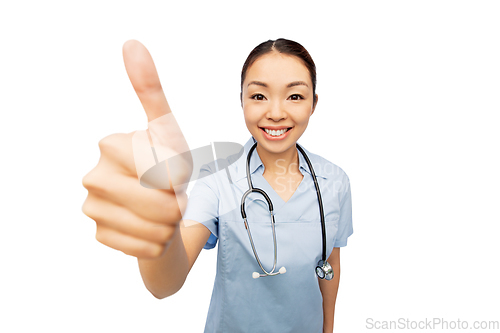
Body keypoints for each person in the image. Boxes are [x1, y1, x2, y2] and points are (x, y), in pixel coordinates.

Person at [82, 38, 353, 333]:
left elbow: (329, 265)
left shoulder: (334, 181)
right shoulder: (218, 178)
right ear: (241, 101)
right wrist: (159, 230)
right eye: (259, 96)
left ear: (314, 103)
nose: (276, 112)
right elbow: (165, 284)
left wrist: (328, 329)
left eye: (295, 96)